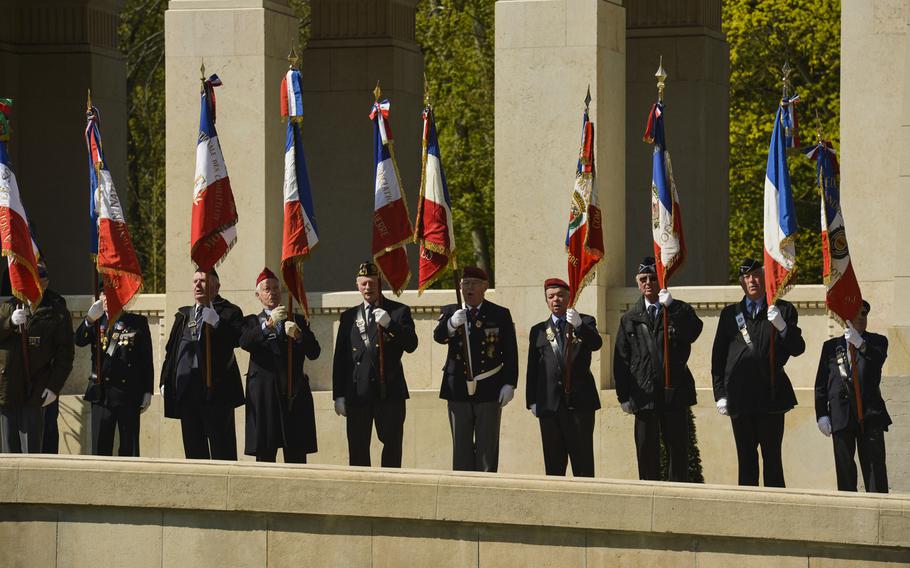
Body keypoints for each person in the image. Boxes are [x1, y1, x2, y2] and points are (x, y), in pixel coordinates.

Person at [711, 258, 805, 487]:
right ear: (741, 283)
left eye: (755, 275)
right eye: (746, 277)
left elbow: (798, 348)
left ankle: (776, 513)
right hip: (740, 397)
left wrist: (783, 326)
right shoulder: (730, 314)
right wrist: (720, 393)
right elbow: (718, 359)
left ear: (765, 278)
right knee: (746, 461)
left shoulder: (782, 310)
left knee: (772, 460)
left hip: (770, 395)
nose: (751, 280)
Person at [613, 257, 703, 482]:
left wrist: (672, 308)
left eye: (653, 278)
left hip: (675, 390)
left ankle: (677, 498)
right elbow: (621, 360)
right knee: (646, 452)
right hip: (644, 394)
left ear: (661, 280)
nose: (648, 283)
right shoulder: (630, 319)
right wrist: (623, 396)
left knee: (678, 452)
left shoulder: (677, 309)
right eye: (643, 279)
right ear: (637, 283)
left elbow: (693, 332)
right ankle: (647, 495)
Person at [332, 261, 418, 467]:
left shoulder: (399, 311)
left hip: (389, 391)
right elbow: (341, 359)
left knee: (392, 447)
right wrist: (339, 395)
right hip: (357, 391)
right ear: (357, 285)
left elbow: (411, 345)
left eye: (372, 283)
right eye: (363, 284)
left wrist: (391, 324)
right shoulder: (349, 316)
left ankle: (391, 489)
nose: (368, 288)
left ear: (381, 284)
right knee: (358, 449)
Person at [433, 267, 518, 472]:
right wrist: (452, 324)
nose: (468, 288)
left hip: (489, 386)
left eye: (473, 283)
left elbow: (510, 352)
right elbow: (439, 337)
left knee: (487, 448)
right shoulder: (451, 311)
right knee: (460, 447)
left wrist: (509, 384)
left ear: (485, 287)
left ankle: (486, 491)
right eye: (465, 283)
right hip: (458, 388)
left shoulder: (499, 314)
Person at [160, 268, 244, 460]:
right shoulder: (184, 315)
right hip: (187, 391)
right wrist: (165, 380)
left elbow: (237, 340)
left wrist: (217, 323)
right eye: (195, 281)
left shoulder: (229, 312)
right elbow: (171, 351)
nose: (198, 285)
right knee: (194, 451)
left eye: (203, 281)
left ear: (216, 286)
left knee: (222, 451)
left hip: (216, 392)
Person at [239, 267, 320, 463]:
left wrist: (299, 335)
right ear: (258, 295)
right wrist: (267, 324)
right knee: (265, 454)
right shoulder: (251, 322)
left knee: (296, 455)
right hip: (265, 397)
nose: (273, 292)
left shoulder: (297, 319)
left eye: (276, 288)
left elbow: (314, 352)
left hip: (293, 394)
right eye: (267, 289)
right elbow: (245, 342)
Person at [526, 278, 601, 477]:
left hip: (580, 404)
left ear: (569, 297)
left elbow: (596, 344)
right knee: (553, 464)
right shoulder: (538, 330)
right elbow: (532, 368)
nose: (556, 300)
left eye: (560, 295)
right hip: (549, 404)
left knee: (583, 462)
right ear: (546, 301)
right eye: (551, 296)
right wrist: (532, 400)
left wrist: (578, 325)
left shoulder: (585, 321)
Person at [815, 300, 891, 493]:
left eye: (864, 313)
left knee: (875, 471)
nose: (861, 317)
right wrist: (821, 414)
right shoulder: (831, 347)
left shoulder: (877, 342)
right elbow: (822, 384)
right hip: (841, 416)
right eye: (857, 313)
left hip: (870, 415)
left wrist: (861, 345)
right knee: (845, 472)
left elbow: (876, 362)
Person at [0, 260, 74, 453]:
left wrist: (53, 387)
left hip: (36, 387)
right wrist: (10, 323)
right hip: (7, 389)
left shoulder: (56, 311)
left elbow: (65, 354)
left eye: (38, 279)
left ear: (46, 281)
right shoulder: (10, 307)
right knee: (8, 449)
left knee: (32, 449)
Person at [75, 291, 153, 456]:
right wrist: (89, 319)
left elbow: (146, 358)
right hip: (101, 395)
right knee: (100, 450)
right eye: (103, 294)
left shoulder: (136, 322)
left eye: (110, 294)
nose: (105, 298)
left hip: (128, 394)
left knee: (129, 449)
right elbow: (79, 340)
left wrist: (147, 390)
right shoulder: (96, 322)